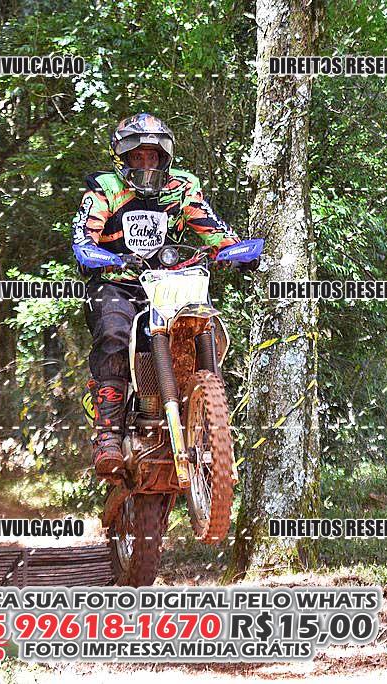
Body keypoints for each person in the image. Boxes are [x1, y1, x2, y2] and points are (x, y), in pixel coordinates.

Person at [71, 113, 257, 480]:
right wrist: (101, 256)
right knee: (114, 334)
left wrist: (235, 251)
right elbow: (83, 239)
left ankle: (212, 426)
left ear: (164, 158)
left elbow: (211, 226)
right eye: (137, 156)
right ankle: (108, 435)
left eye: (153, 156)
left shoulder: (181, 188)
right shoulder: (104, 190)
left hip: (168, 282)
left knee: (204, 326)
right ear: (123, 158)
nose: (146, 164)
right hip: (117, 282)